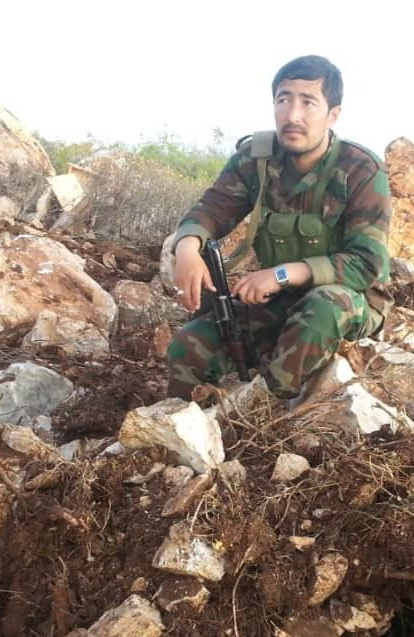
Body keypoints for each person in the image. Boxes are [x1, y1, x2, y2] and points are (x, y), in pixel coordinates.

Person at [166, 54, 392, 401]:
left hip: (350, 299)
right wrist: (187, 248)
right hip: (281, 298)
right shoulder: (256, 158)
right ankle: (184, 429)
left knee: (322, 307)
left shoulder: (359, 170)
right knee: (188, 347)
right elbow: (212, 209)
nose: (292, 115)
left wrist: (281, 274)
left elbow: (365, 265)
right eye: (283, 99)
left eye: (308, 102)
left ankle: (266, 410)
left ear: (333, 114)